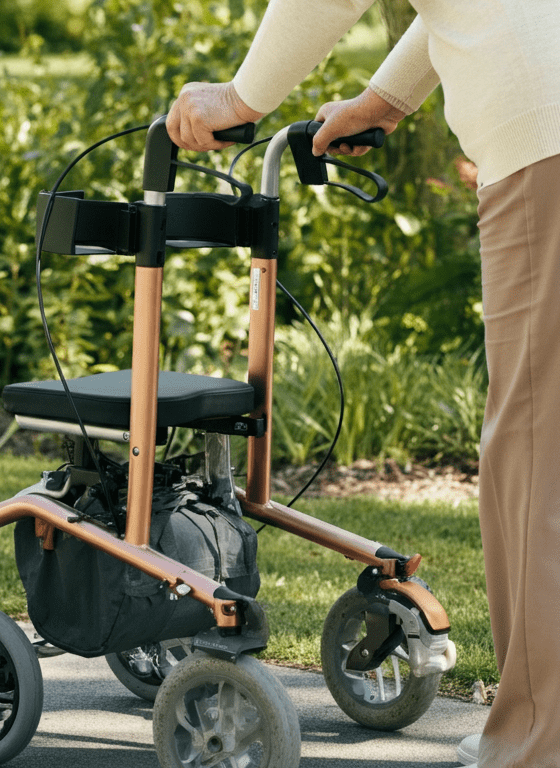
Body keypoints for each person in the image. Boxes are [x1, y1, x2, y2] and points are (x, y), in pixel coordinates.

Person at [166, 2, 560, 768]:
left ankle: (542, 745)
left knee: (538, 448)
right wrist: (382, 101)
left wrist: (240, 98)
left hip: (544, 141)